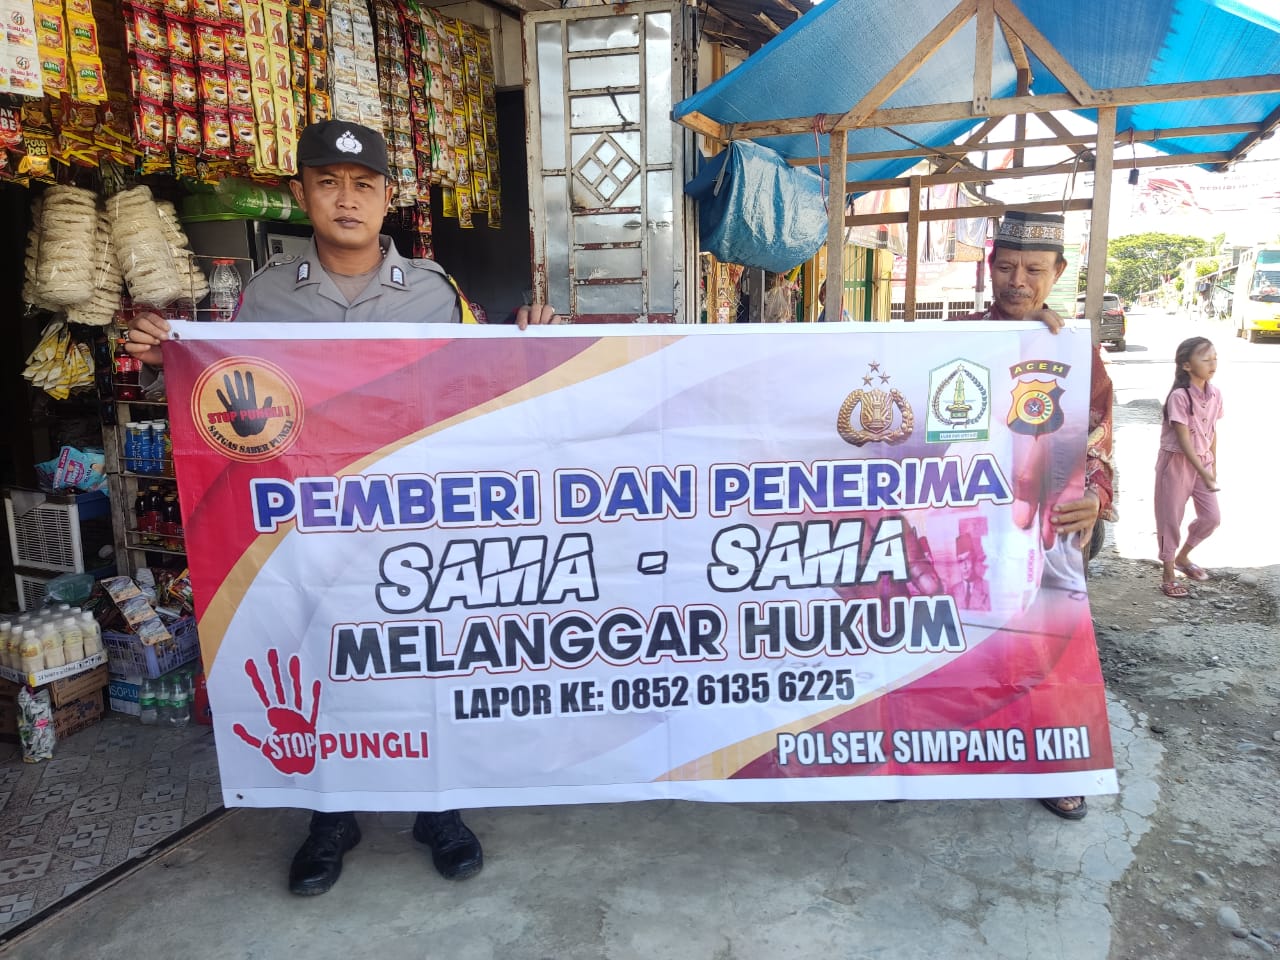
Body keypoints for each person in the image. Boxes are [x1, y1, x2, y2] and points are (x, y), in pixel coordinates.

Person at [123, 120, 557, 896]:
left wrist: (528, 345)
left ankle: (437, 807)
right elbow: (225, 397)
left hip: (411, 522)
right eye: (328, 183)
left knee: (422, 660)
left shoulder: (436, 293)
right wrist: (171, 362)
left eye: (363, 185)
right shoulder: (264, 297)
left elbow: (484, 387)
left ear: (388, 199)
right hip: (307, 524)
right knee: (320, 661)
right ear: (302, 195)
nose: (346, 200)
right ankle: (331, 815)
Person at [957, 209, 1116, 822]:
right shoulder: (956, 338)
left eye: (1032, 269)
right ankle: (936, 748)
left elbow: (1098, 432)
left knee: (1048, 646)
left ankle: (1057, 763)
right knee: (962, 640)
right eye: (1005, 267)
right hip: (969, 520)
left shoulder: (1073, 350)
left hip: (1043, 527)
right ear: (989, 267)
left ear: (1058, 272)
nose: (1017, 281)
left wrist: (1096, 495)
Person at [1154, 337, 1222, 599]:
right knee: (1170, 518)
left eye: (1214, 358)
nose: (1212, 364)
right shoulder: (1179, 397)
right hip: (1176, 463)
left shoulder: (1215, 394)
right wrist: (1203, 471)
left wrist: (1212, 466)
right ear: (1186, 365)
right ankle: (1168, 573)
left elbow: (1213, 432)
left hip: (1203, 462)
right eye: (1205, 359)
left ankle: (1183, 557)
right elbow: (1183, 440)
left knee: (1211, 518)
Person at [949, 533, 991, 612]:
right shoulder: (953, 591)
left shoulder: (987, 588)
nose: (964, 566)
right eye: (960, 561)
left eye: (967, 559)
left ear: (974, 560)